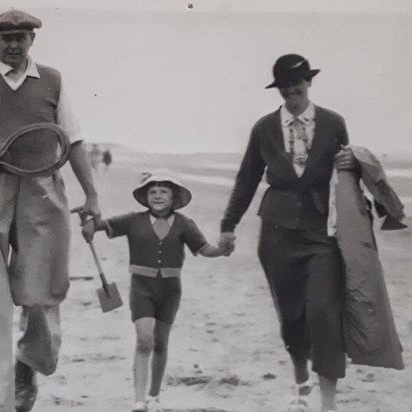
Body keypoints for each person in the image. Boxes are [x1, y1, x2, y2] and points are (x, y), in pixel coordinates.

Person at [0, 9, 101, 412]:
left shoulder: (53, 81)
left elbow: (75, 142)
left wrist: (93, 196)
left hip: (42, 196)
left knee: (42, 296)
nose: (13, 44)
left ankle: (29, 364)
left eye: (21, 37)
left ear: (32, 40)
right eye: (6, 37)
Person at [219, 54, 356, 412]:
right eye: (284, 85)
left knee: (324, 316)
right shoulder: (264, 127)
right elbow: (247, 178)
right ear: (277, 88)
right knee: (292, 316)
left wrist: (353, 166)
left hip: (321, 233)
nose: (291, 90)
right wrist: (228, 225)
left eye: (297, 83)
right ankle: (300, 384)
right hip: (277, 235)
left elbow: (347, 178)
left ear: (309, 82)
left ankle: (329, 403)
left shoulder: (333, 122)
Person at [82, 170, 230, 412]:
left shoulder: (185, 224)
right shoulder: (132, 220)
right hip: (141, 288)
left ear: (173, 198)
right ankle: (139, 401)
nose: (158, 195)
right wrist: (89, 225)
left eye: (164, 191)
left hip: (171, 290)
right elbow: (100, 225)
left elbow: (205, 249)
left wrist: (223, 250)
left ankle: (154, 396)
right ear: (145, 197)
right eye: (152, 191)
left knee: (161, 343)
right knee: (144, 340)